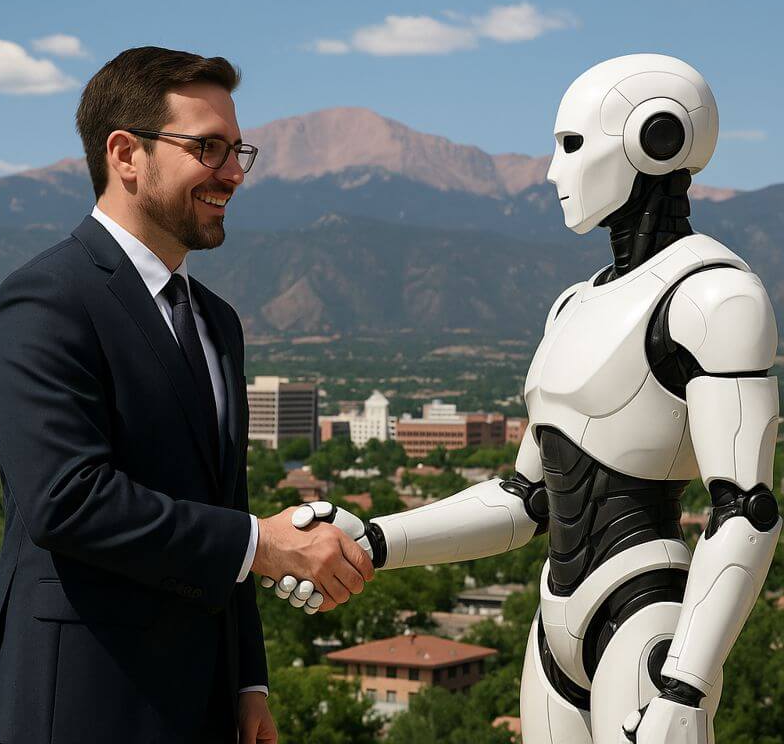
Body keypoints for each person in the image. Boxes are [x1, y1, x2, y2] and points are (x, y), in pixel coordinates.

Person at [266, 55, 782, 744]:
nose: (550, 170)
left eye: (570, 145)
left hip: (647, 615)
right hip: (553, 626)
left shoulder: (716, 298)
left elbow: (746, 511)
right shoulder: (573, 303)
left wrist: (687, 683)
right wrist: (377, 538)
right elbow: (524, 500)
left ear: (653, 138)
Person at [0, 46, 374, 744]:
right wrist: (263, 546)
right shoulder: (45, 300)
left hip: (206, 706)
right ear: (125, 153)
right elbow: (67, 501)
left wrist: (247, 681)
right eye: (208, 148)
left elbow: (226, 504)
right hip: (80, 703)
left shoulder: (217, 321)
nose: (232, 173)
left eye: (237, 150)